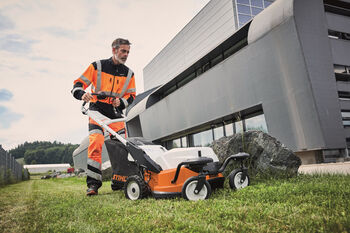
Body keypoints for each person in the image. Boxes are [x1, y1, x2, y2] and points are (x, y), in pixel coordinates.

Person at [71, 38, 136, 196]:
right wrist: (82, 95)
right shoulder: (97, 66)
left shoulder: (129, 73)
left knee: (121, 147)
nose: (126, 54)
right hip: (96, 111)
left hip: (115, 115)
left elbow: (131, 96)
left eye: (128, 52)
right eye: (123, 51)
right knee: (96, 143)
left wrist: (120, 102)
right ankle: (93, 185)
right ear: (114, 50)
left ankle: (119, 181)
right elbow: (77, 85)